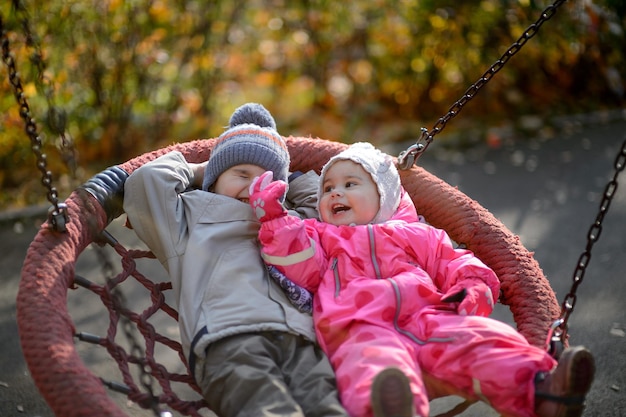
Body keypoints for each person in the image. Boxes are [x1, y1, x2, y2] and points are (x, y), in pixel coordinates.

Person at [247, 142, 596, 417]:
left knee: (482, 340)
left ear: (383, 196)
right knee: (375, 368)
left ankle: (543, 390)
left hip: (430, 318)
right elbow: (297, 263)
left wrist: (471, 287)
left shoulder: (415, 235)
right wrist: (275, 220)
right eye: (327, 189)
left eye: (350, 184)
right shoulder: (320, 237)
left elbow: (455, 262)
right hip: (360, 326)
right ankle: (393, 408)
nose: (334, 193)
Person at [123, 103, 347, 417]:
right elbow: (145, 182)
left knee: (329, 406)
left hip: (300, 338)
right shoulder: (188, 218)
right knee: (267, 408)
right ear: (214, 181)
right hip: (230, 336)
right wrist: (202, 169)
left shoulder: (291, 222)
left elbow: (325, 214)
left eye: (267, 179)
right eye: (241, 174)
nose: (254, 185)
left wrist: (292, 181)